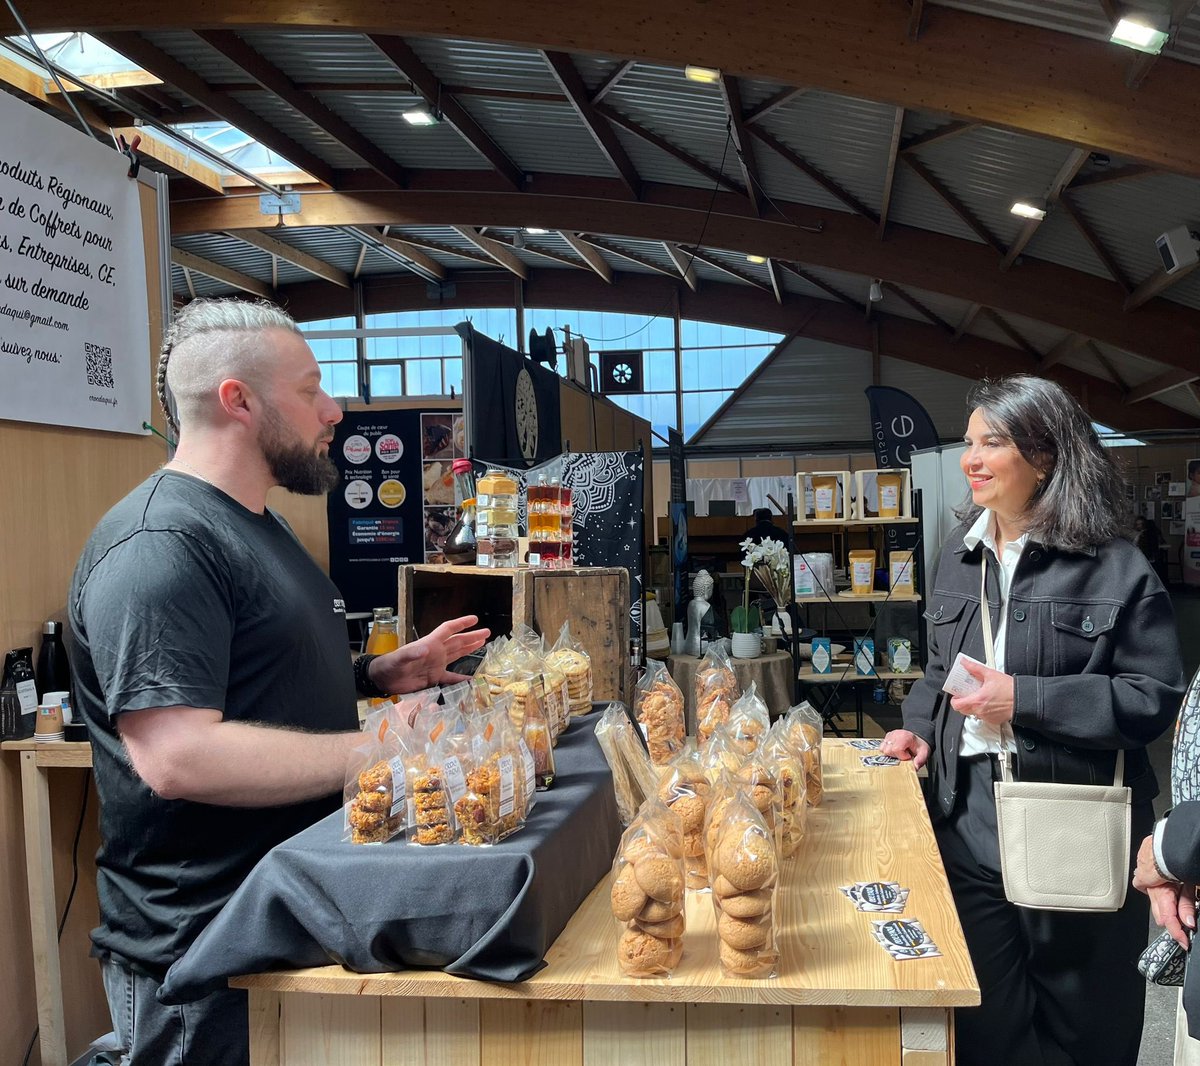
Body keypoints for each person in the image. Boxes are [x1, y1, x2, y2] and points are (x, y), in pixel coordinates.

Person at [69, 298, 488, 1066]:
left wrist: (377, 675)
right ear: (239, 400)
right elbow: (177, 756)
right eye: (311, 389)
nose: (333, 410)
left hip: (281, 923)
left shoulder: (260, 525)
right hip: (202, 956)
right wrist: (375, 751)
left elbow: (254, 678)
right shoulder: (159, 544)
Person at [880, 375, 1183, 1066]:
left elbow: (1151, 697)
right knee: (986, 1016)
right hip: (966, 818)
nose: (971, 458)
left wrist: (1027, 699)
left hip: (1072, 818)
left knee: (1085, 1021)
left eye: (994, 442)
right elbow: (939, 673)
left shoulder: (1115, 567)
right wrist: (919, 730)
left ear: (1045, 458)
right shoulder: (959, 554)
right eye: (970, 442)